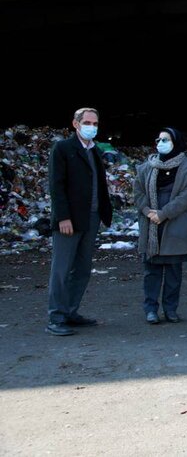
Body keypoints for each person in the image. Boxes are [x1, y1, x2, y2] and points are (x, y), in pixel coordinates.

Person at [46, 107, 113, 336]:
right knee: (62, 270)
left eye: (95, 123)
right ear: (75, 124)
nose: (92, 127)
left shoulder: (95, 151)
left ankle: (70, 312)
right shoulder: (63, 148)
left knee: (82, 269)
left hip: (91, 217)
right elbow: (57, 186)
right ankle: (56, 317)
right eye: (87, 122)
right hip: (69, 220)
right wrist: (63, 217)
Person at [134, 127, 187, 324]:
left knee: (173, 272)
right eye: (159, 139)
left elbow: (186, 198)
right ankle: (151, 309)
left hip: (175, 224)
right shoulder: (147, 167)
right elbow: (138, 192)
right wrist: (148, 212)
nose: (161, 143)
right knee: (152, 271)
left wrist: (163, 214)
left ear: (176, 142)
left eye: (166, 139)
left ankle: (170, 309)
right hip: (151, 223)